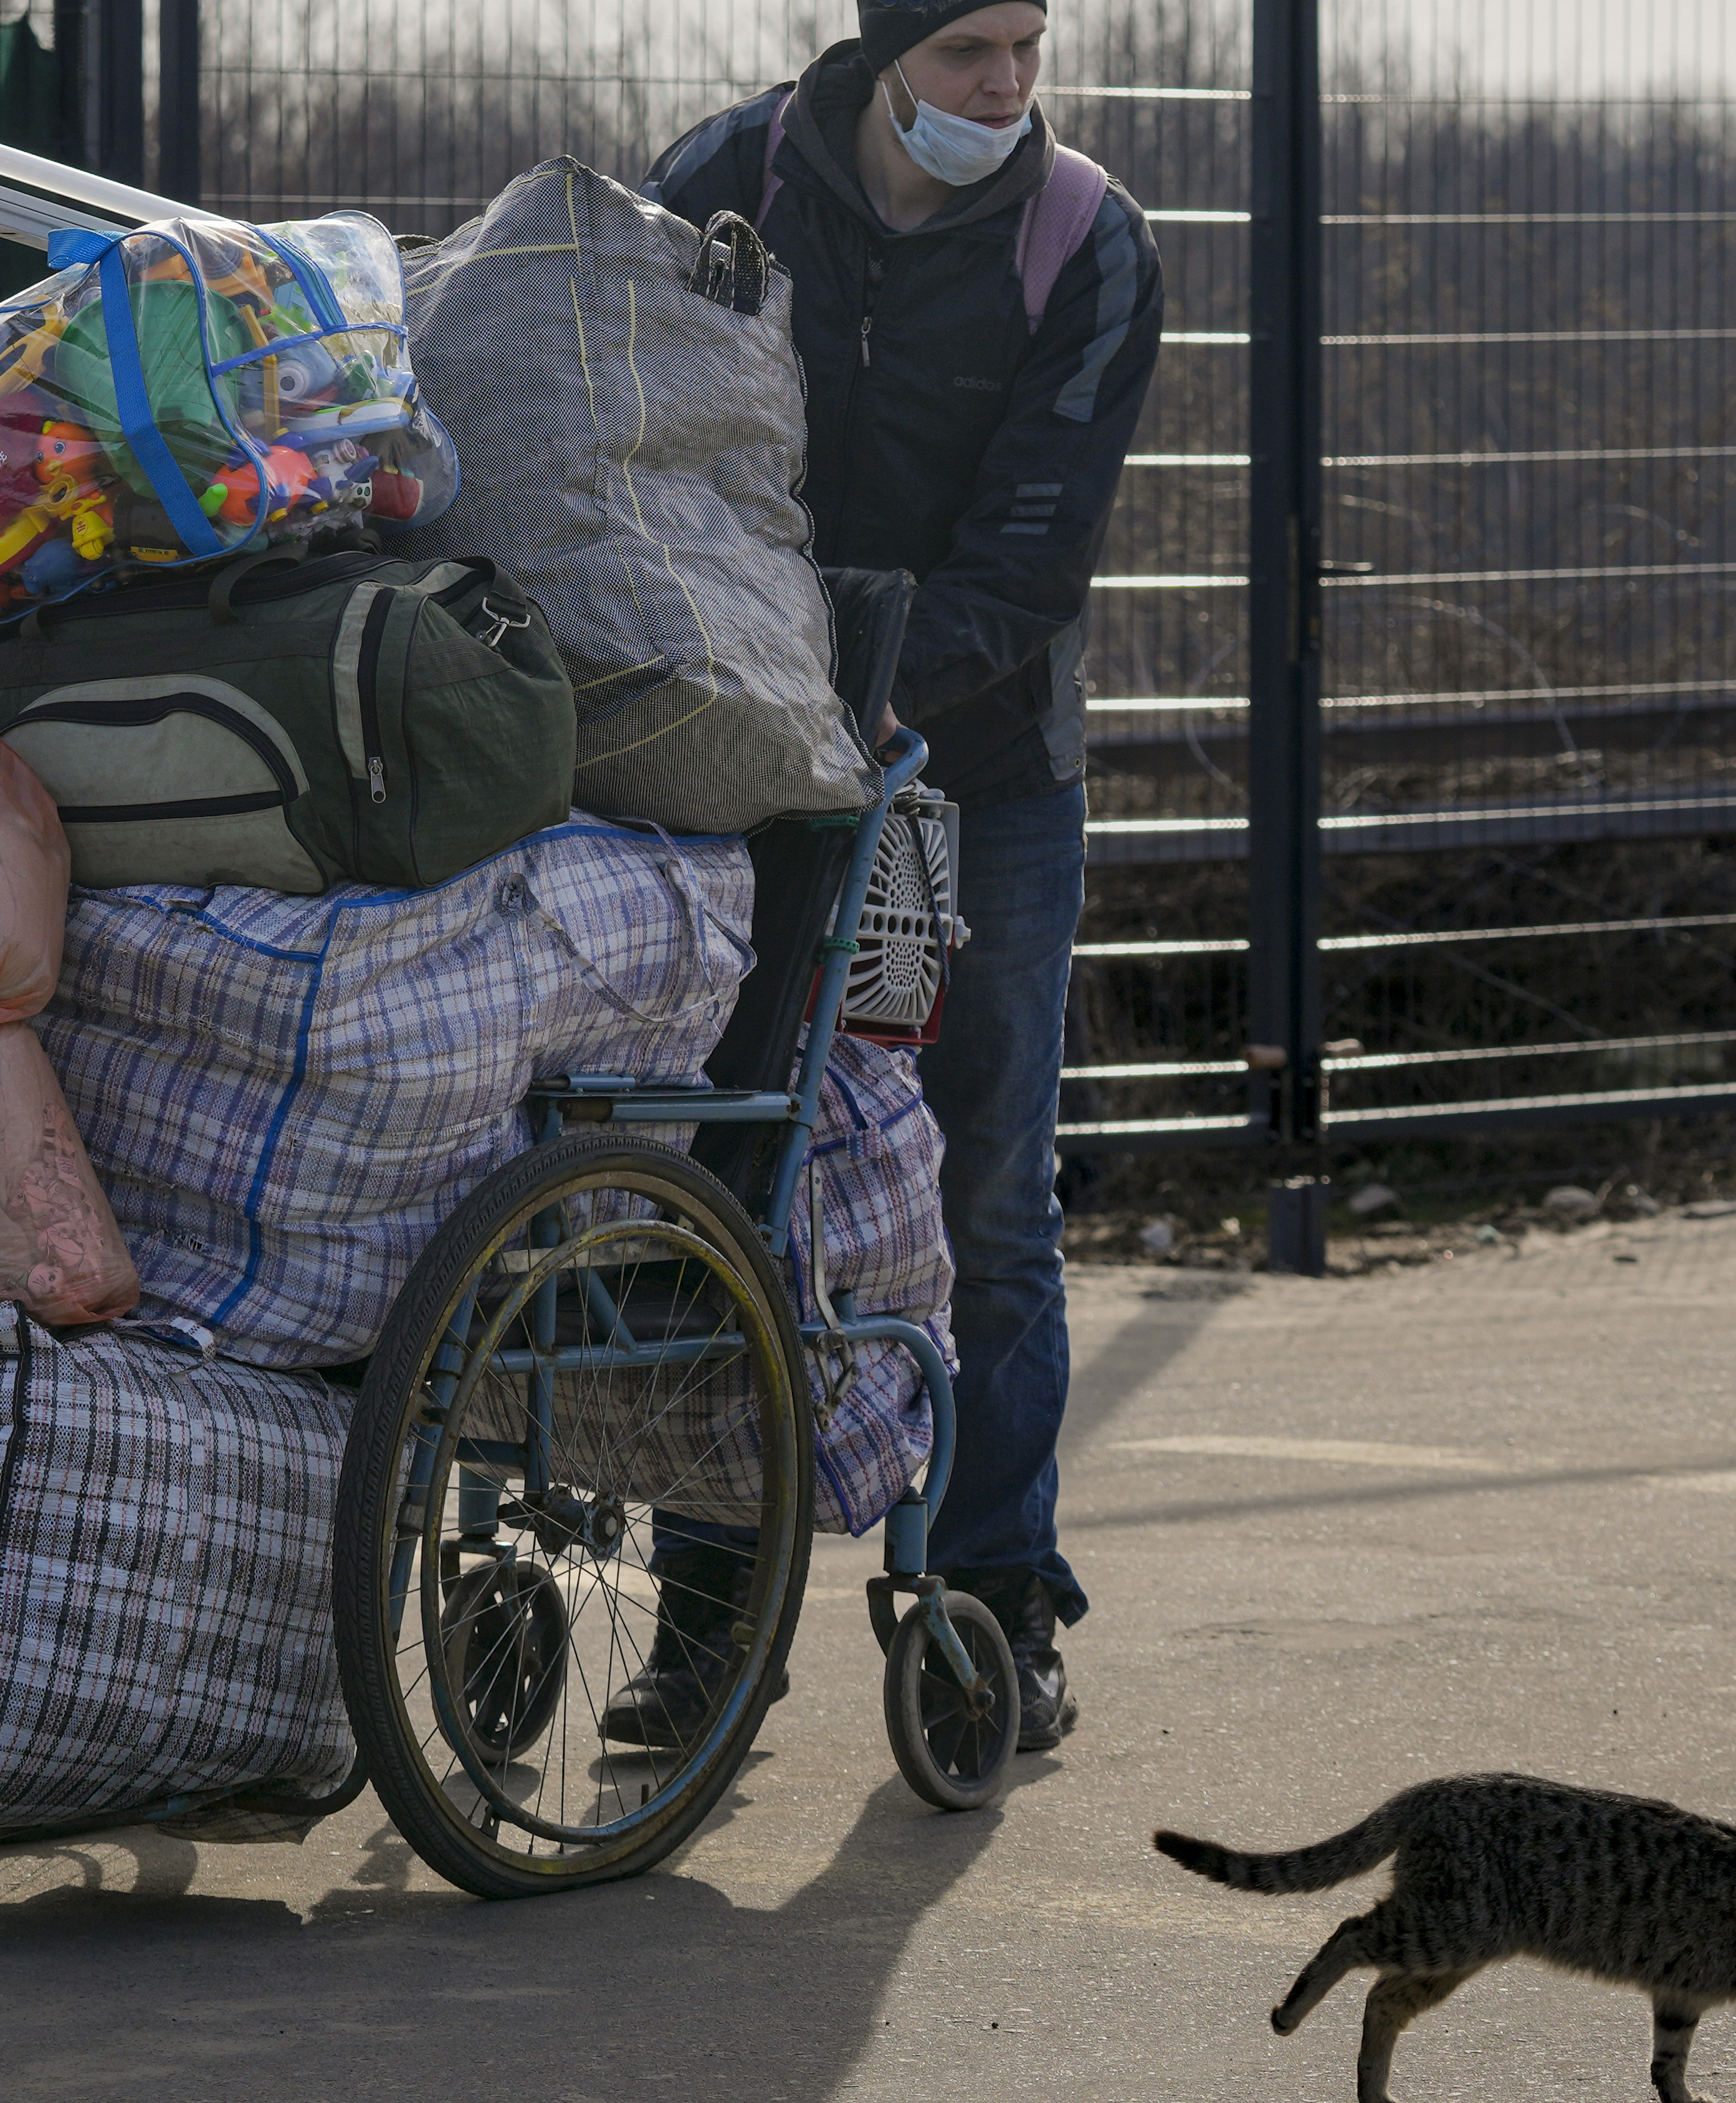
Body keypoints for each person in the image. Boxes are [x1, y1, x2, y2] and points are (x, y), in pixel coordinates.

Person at [604, 0, 1165, 1758]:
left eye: (1026, 47)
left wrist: (881, 694)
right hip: (730, 762)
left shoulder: (1084, 237)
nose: (1003, 88)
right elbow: (615, 416)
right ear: (882, 51)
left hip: (971, 775)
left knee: (988, 1204)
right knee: (730, 1174)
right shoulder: (726, 180)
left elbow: (1038, 540)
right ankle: (709, 1626)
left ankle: (996, 1602)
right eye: (963, 54)